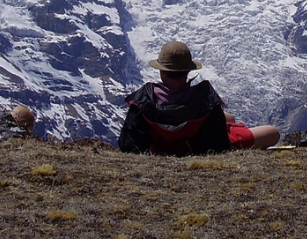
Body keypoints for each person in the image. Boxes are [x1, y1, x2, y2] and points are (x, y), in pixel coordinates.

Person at [118, 41, 280, 155]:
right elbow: (218, 144)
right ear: (188, 70)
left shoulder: (144, 99)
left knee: (229, 117)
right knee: (272, 132)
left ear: (161, 71)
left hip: (163, 145)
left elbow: (129, 144)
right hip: (197, 145)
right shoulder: (205, 98)